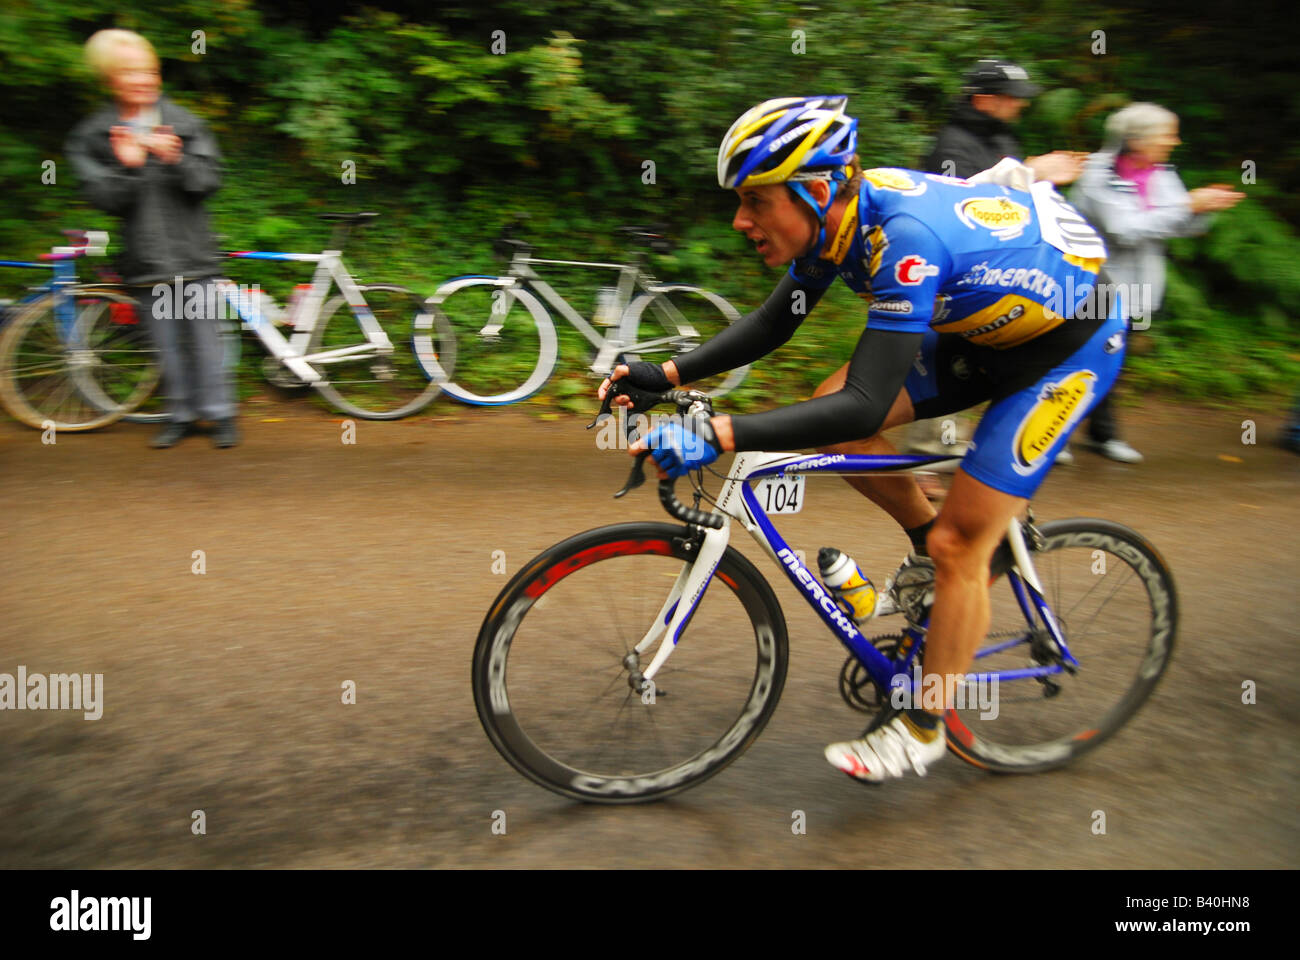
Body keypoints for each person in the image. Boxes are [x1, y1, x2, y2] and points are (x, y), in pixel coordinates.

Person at [599, 96, 1125, 784]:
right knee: (839, 419)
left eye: (756, 200)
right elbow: (774, 322)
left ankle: (925, 724)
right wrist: (664, 374)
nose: (741, 219)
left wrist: (719, 430)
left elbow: (865, 404)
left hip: (1066, 349)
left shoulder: (903, 237)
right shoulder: (836, 223)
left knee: (959, 543)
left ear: (814, 191)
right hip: (983, 327)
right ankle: (926, 556)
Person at [912, 59, 1088, 491]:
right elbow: (959, 204)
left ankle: (947, 456)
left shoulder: (997, 135)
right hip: (954, 274)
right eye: (1012, 99)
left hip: (995, 272)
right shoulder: (952, 144)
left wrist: (1036, 173)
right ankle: (922, 463)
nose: (1020, 106)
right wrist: (1033, 172)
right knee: (942, 356)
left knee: (966, 361)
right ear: (984, 99)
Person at [66, 29, 237, 448]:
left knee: (204, 341)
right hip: (146, 262)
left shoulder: (184, 122)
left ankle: (220, 415)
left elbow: (210, 180)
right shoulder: (95, 134)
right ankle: (180, 415)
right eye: (130, 72)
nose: (143, 79)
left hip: (193, 255)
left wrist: (175, 157)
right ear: (110, 79)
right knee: (166, 348)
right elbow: (103, 198)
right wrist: (130, 167)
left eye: (150, 71)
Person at [1069, 102, 1243, 462]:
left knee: (1113, 361)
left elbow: (1182, 226)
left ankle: (1104, 435)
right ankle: (1053, 435)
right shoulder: (1100, 173)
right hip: (1096, 283)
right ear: (1136, 139)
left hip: (1141, 287)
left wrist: (1203, 210)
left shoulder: (1160, 173)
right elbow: (1126, 230)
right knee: (1078, 357)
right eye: (1168, 134)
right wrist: (1187, 207)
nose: (1175, 142)